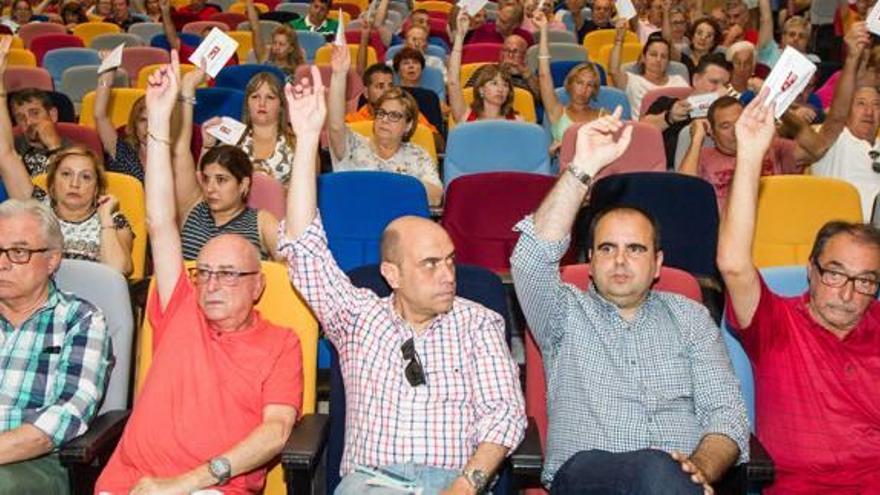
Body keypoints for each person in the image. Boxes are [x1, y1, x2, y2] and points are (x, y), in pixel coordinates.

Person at [279, 62, 526, 495]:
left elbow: (504, 413)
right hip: (374, 484)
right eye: (430, 264)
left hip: (458, 483)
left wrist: (466, 485)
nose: (449, 274)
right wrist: (305, 142)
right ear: (390, 274)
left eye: (450, 260)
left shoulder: (479, 321)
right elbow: (303, 246)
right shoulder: (357, 318)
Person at [510, 107, 750, 493]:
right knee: (655, 471)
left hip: (679, 483)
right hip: (587, 477)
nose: (620, 260)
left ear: (657, 264)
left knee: (663, 476)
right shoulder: (562, 313)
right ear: (588, 262)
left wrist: (700, 468)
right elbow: (531, 258)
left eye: (635, 249)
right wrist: (581, 168)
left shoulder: (690, 317)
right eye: (607, 248)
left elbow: (727, 414)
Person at [95, 51, 303, 495]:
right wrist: (158, 121)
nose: (211, 284)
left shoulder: (281, 343)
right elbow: (159, 222)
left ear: (258, 285)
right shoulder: (181, 307)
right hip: (128, 481)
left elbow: (277, 432)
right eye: (204, 272)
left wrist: (185, 484)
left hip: (208, 488)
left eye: (228, 275)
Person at [718, 87, 880, 494]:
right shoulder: (777, 322)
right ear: (810, 271)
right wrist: (751, 156)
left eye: (865, 281)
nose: (847, 292)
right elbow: (735, 265)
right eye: (835, 274)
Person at [682, 24, 871, 213]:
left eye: (739, 122)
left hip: (776, 231)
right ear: (712, 133)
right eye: (725, 126)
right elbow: (683, 192)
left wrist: (779, 110)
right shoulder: (704, 156)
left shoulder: (772, 147)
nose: (735, 130)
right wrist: (697, 138)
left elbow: (823, 143)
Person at [0, 199, 112, 495]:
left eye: (19, 252)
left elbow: (68, 414)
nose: (2, 263)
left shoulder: (80, 320)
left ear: (52, 260)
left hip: (35, 462)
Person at [0, 39, 134, 275]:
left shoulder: (112, 218)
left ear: (97, 188)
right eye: (66, 174)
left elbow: (118, 272)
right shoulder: (38, 207)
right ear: (52, 184)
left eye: (85, 177)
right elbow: (6, 154)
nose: (75, 183)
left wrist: (104, 220)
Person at [171, 67, 282, 261]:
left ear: (244, 185)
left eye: (221, 180)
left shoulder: (262, 222)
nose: (210, 188)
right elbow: (180, 148)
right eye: (206, 179)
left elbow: (292, 271)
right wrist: (187, 88)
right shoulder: (191, 208)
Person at [328, 45, 442, 206]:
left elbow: (436, 197)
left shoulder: (418, 155)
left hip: (402, 224)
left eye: (394, 115)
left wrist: (383, 187)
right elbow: (335, 126)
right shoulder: (354, 145)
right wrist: (339, 75)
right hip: (357, 220)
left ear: (408, 125)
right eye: (381, 113)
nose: (385, 119)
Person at [810, 23, 880, 222]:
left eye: (876, 105)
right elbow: (837, 115)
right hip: (843, 233)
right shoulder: (832, 139)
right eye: (861, 104)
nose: (869, 111)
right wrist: (852, 58)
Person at [199, 71, 299, 187]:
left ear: (281, 105)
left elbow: (310, 190)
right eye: (255, 97)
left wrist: (272, 188)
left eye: (270, 97)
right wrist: (207, 146)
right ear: (247, 103)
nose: (262, 103)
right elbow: (205, 187)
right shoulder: (231, 139)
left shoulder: (297, 141)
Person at [642, 53, 732, 169]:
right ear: (695, 80)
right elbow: (642, 131)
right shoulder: (667, 104)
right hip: (670, 174)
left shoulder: (728, 116)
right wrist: (669, 117)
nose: (721, 90)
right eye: (714, 82)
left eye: (725, 85)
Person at [535, 11, 604, 152]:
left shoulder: (604, 116)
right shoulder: (557, 111)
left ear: (594, 90)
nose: (584, 89)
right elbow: (544, 75)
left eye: (590, 85)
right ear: (570, 84)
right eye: (579, 82)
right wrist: (543, 31)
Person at [449, 14, 523, 124]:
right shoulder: (466, 116)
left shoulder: (517, 121)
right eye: (494, 83)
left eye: (505, 85)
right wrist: (460, 36)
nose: (500, 89)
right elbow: (453, 82)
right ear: (481, 90)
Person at [610, 28, 690, 119]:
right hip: (644, 130)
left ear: (668, 62)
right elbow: (614, 71)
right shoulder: (632, 81)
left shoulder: (679, 81)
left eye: (663, 56)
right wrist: (619, 40)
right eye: (653, 54)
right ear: (643, 58)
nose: (658, 60)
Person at [95, 51, 148, 182]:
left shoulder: (176, 158)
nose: (149, 127)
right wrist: (107, 75)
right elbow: (100, 114)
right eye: (143, 120)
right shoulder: (123, 154)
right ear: (134, 125)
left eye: (156, 120)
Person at [246, 0, 304, 77]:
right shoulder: (265, 59)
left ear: (291, 48)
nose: (276, 47)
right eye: (274, 43)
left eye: (281, 44)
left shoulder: (297, 71)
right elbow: (255, 28)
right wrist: (249, 2)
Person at [756, 0, 819, 67]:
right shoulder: (770, 52)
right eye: (792, 34)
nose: (796, 38)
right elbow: (766, 19)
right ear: (783, 37)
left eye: (801, 36)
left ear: (807, 41)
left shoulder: (813, 60)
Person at [464, 2, 533, 45]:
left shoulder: (525, 37)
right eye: (498, 18)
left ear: (516, 25)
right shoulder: (482, 30)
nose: (497, 23)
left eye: (503, 22)